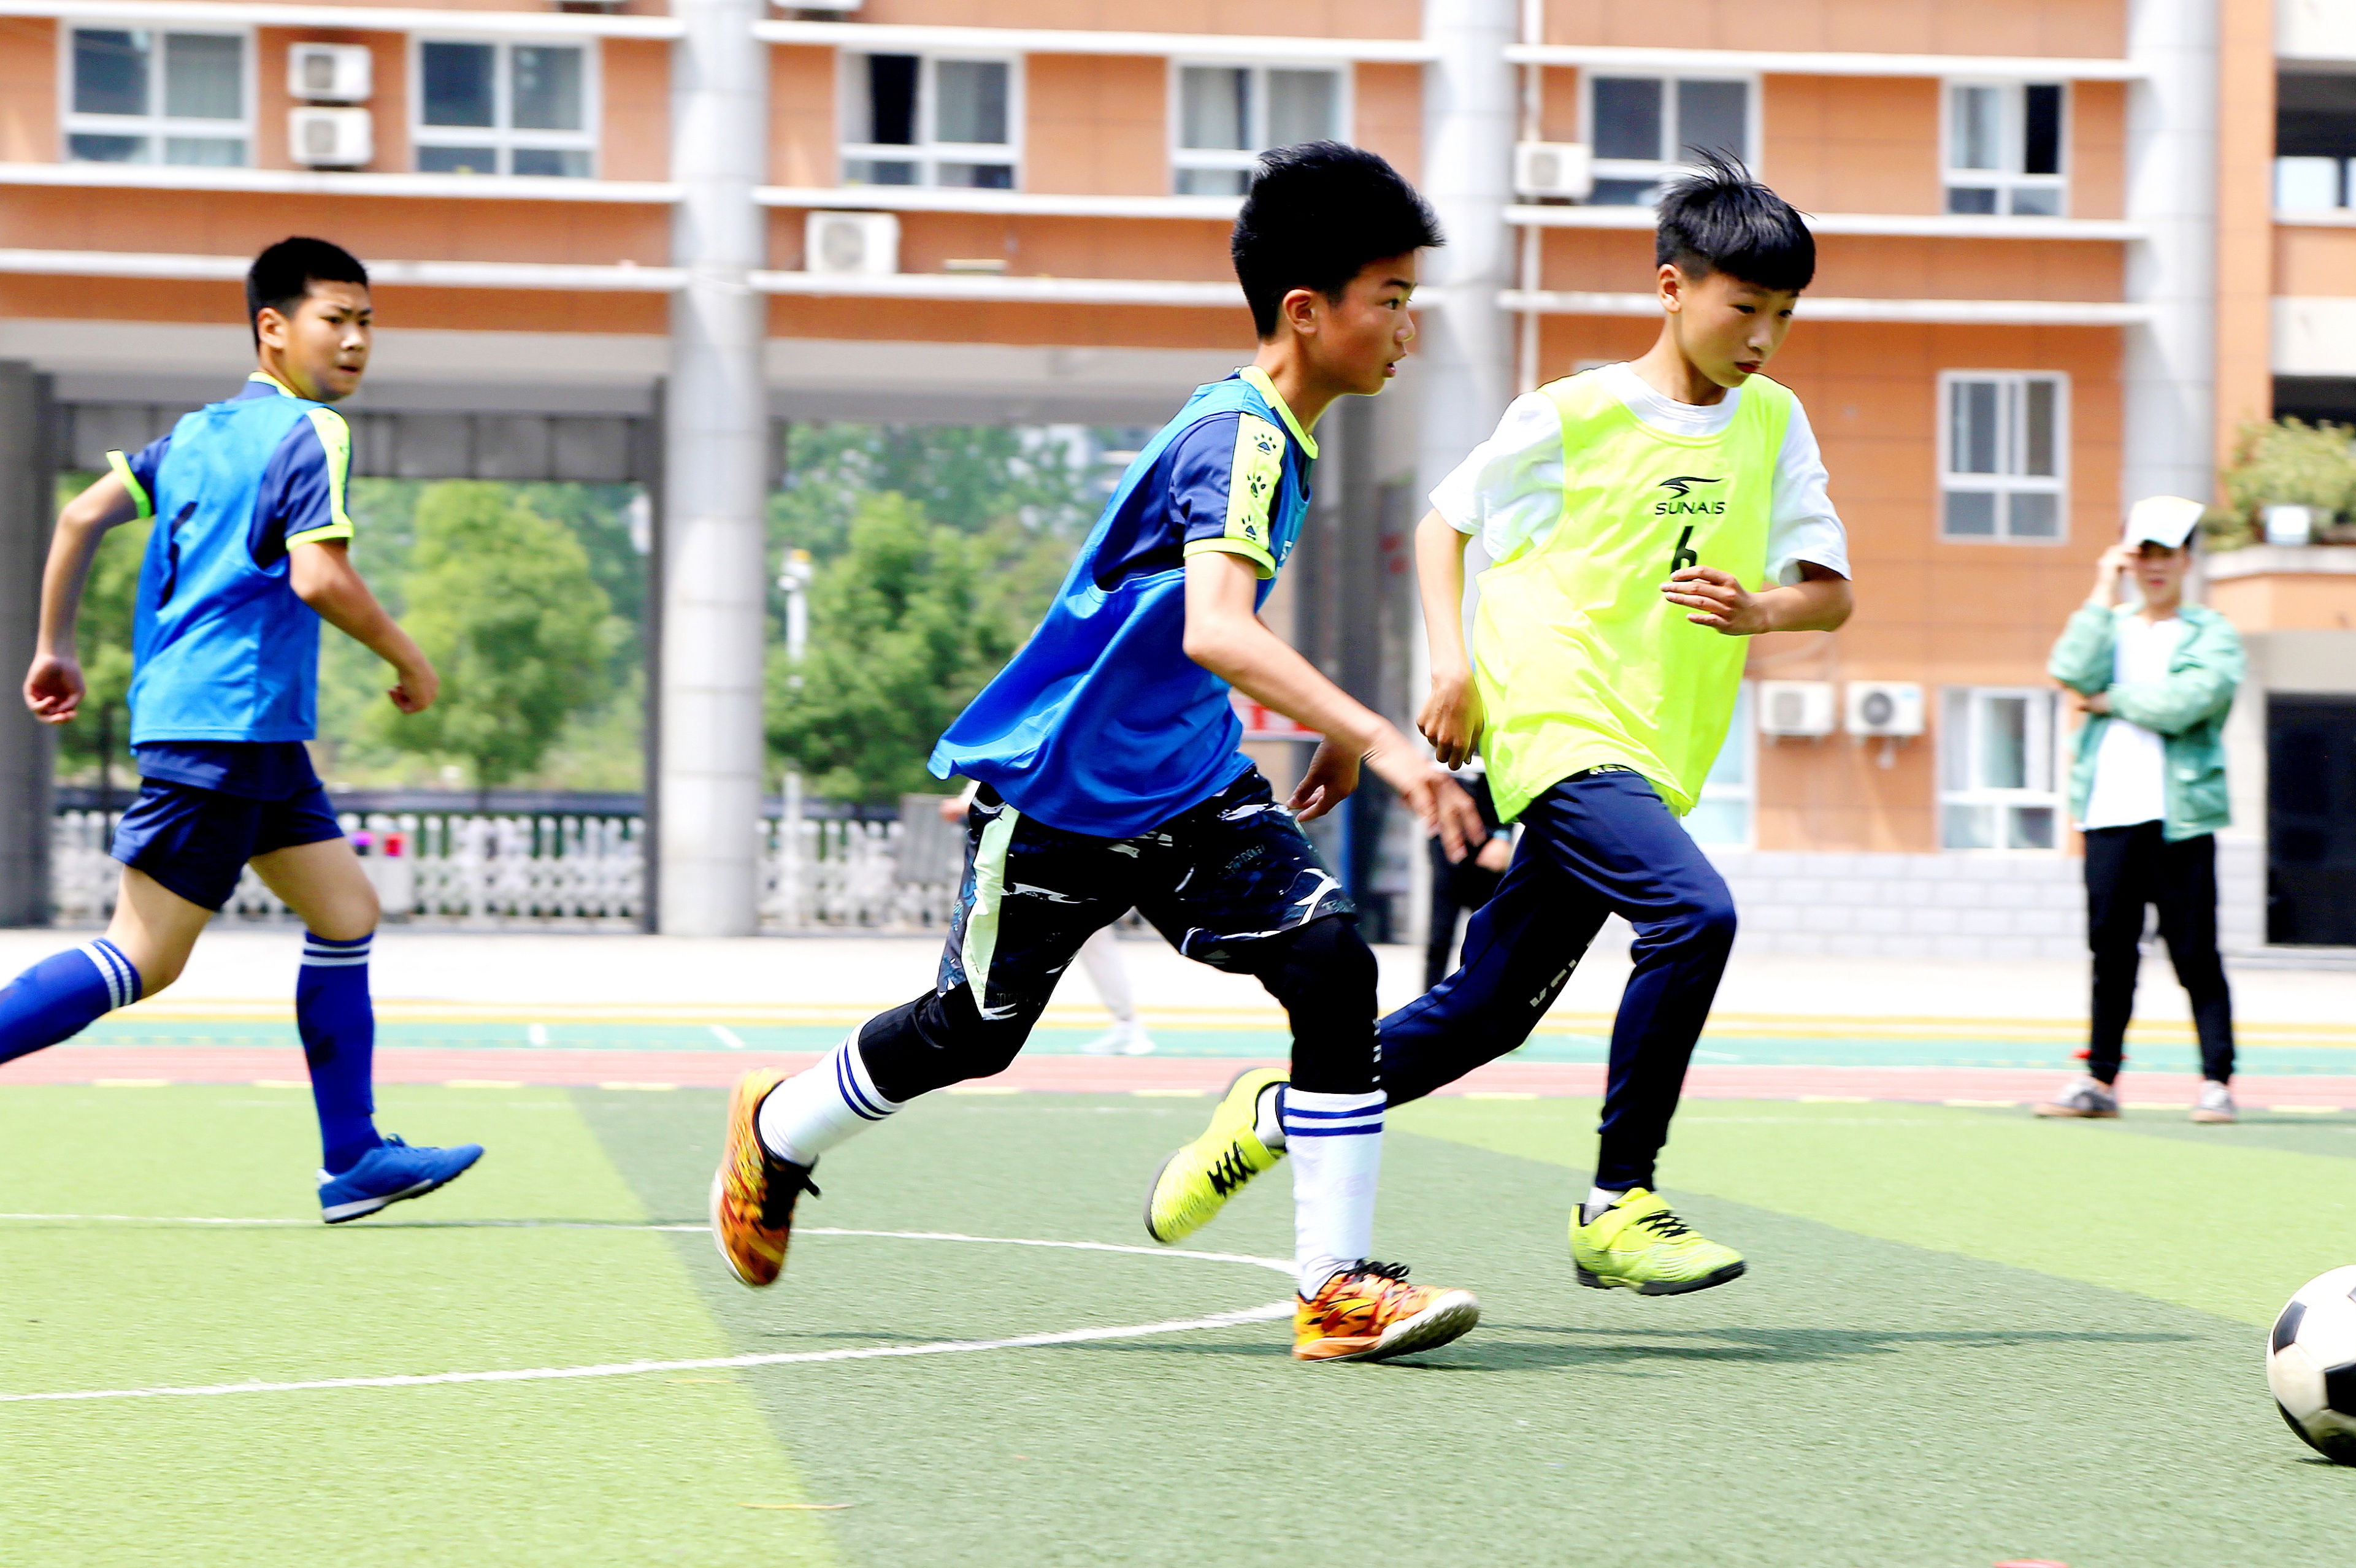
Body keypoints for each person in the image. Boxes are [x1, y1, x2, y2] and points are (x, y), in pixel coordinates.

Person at [713, 143, 1488, 1364]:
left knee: (1335, 971)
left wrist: (1325, 731)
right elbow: (1215, 627)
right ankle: (780, 1130)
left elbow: (1200, 633)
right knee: (973, 1032)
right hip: (1059, 797)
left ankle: (1335, 1288)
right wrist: (1381, 737)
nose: (1408, 330)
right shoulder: (1241, 442)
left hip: (1190, 791)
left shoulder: (1274, 435)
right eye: (1391, 300)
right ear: (1309, 310)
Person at [1146, 155, 1853, 1297]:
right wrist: (1454, 666)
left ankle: (1269, 1111)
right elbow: (1444, 524)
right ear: (1671, 288)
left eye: (1782, 315)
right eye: (1744, 307)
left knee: (1482, 1016)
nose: (1763, 336)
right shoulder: (1570, 412)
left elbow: (1828, 591)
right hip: (1559, 726)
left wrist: (1758, 605)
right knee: (1693, 912)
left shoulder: (1773, 423)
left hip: (1654, 751)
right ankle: (1619, 1198)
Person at [3, 237, 482, 1222]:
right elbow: (319, 576)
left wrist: (55, 647)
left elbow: (77, 519)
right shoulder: (311, 433)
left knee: (346, 911)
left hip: (254, 738)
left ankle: (353, 1158)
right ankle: (350, 1153)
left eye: (365, 324)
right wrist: (409, 657)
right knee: (142, 957)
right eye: (333, 320)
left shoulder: (190, 436)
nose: (354, 342)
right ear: (274, 328)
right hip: (223, 732)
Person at [2034, 495, 2246, 1125]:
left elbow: (2190, 700)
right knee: (2111, 951)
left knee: (2195, 953)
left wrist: (2113, 699)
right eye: (2144, 553)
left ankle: (2217, 1081)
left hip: (2181, 818)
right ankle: (2098, 1080)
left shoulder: (2213, 633)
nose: (2156, 566)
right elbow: (2068, 668)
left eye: (2168, 553)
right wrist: (2102, 585)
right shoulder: (2112, 624)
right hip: (2108, 814)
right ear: (2129, 558)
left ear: (2187, 559)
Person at [940, 785, 1153, 1055]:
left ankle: (1127, 1024)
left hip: (1059, 869)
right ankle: (1126, 1023)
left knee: (1089, 946)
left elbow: (968, 806)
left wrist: (962, 806)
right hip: (1043, 869)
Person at [1423, 765, 1511, 990]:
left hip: (1488, 840)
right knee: (1439, 936)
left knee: (1489, 935)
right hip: (1446, 843)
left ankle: (1489, 998)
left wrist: (1504, 836)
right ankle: (1427, 1004)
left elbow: (1511, 781)